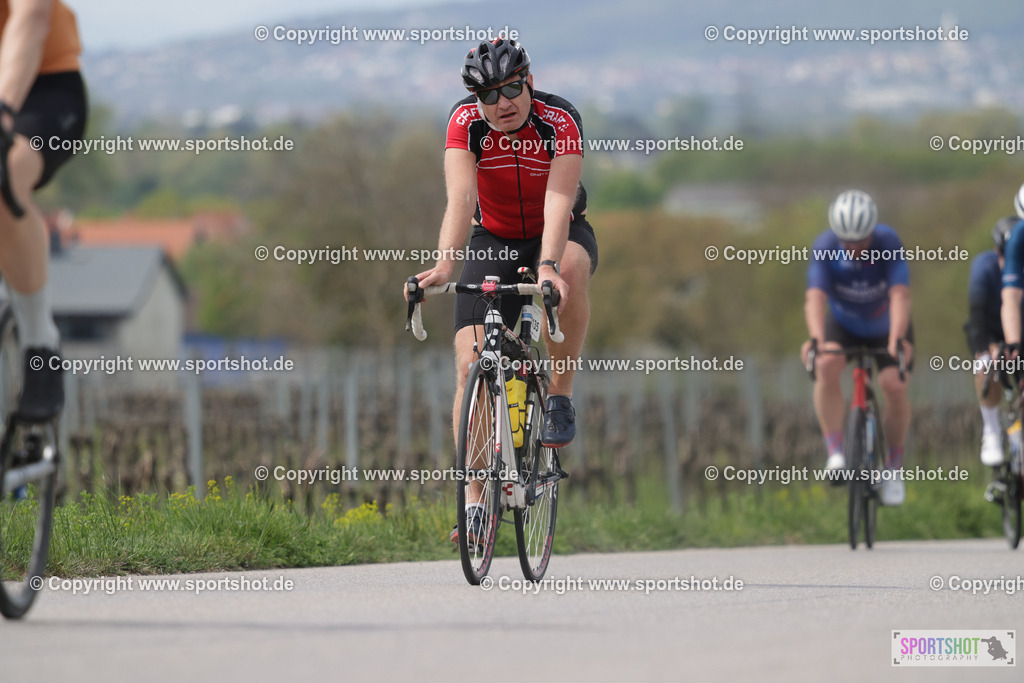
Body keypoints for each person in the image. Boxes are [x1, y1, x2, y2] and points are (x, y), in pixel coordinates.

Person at [411, 38, 598, 542]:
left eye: (512, 89)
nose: (503, 103)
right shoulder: (464, 123)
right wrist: (445, 264)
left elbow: (558, 200)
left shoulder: (560, 121)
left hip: (557, 231)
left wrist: (548, 267)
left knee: (570, 271)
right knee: (469, 365)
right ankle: (474, 500)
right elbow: (460, 197)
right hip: (493, 237)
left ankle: (559, 395)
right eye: (489, 95)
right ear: (476, 100)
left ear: (529, 82)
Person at [0, 0, 86, 421]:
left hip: (42, 89)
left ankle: (39, 342)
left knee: (4, 176)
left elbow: (32, 16)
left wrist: (3, 112)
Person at [801, 189, 914, 506]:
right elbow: (815, 297)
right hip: (845, 324)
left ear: (872, 232)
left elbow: (900, 295)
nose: (853, 248)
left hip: (887, 325)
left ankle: (893, 469)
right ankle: (835, 452)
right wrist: (816, 339)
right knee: (825, 365)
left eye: (861, 241)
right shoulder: (825, 246)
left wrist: (896, 338)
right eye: (846, 241)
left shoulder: (888, 241)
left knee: (894, 384)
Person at [965, 215, 1020, 466]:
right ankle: (992, 431)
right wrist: (988, 349)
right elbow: (976, 318)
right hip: (989, 332)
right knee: (985, 365)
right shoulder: (983, 267)